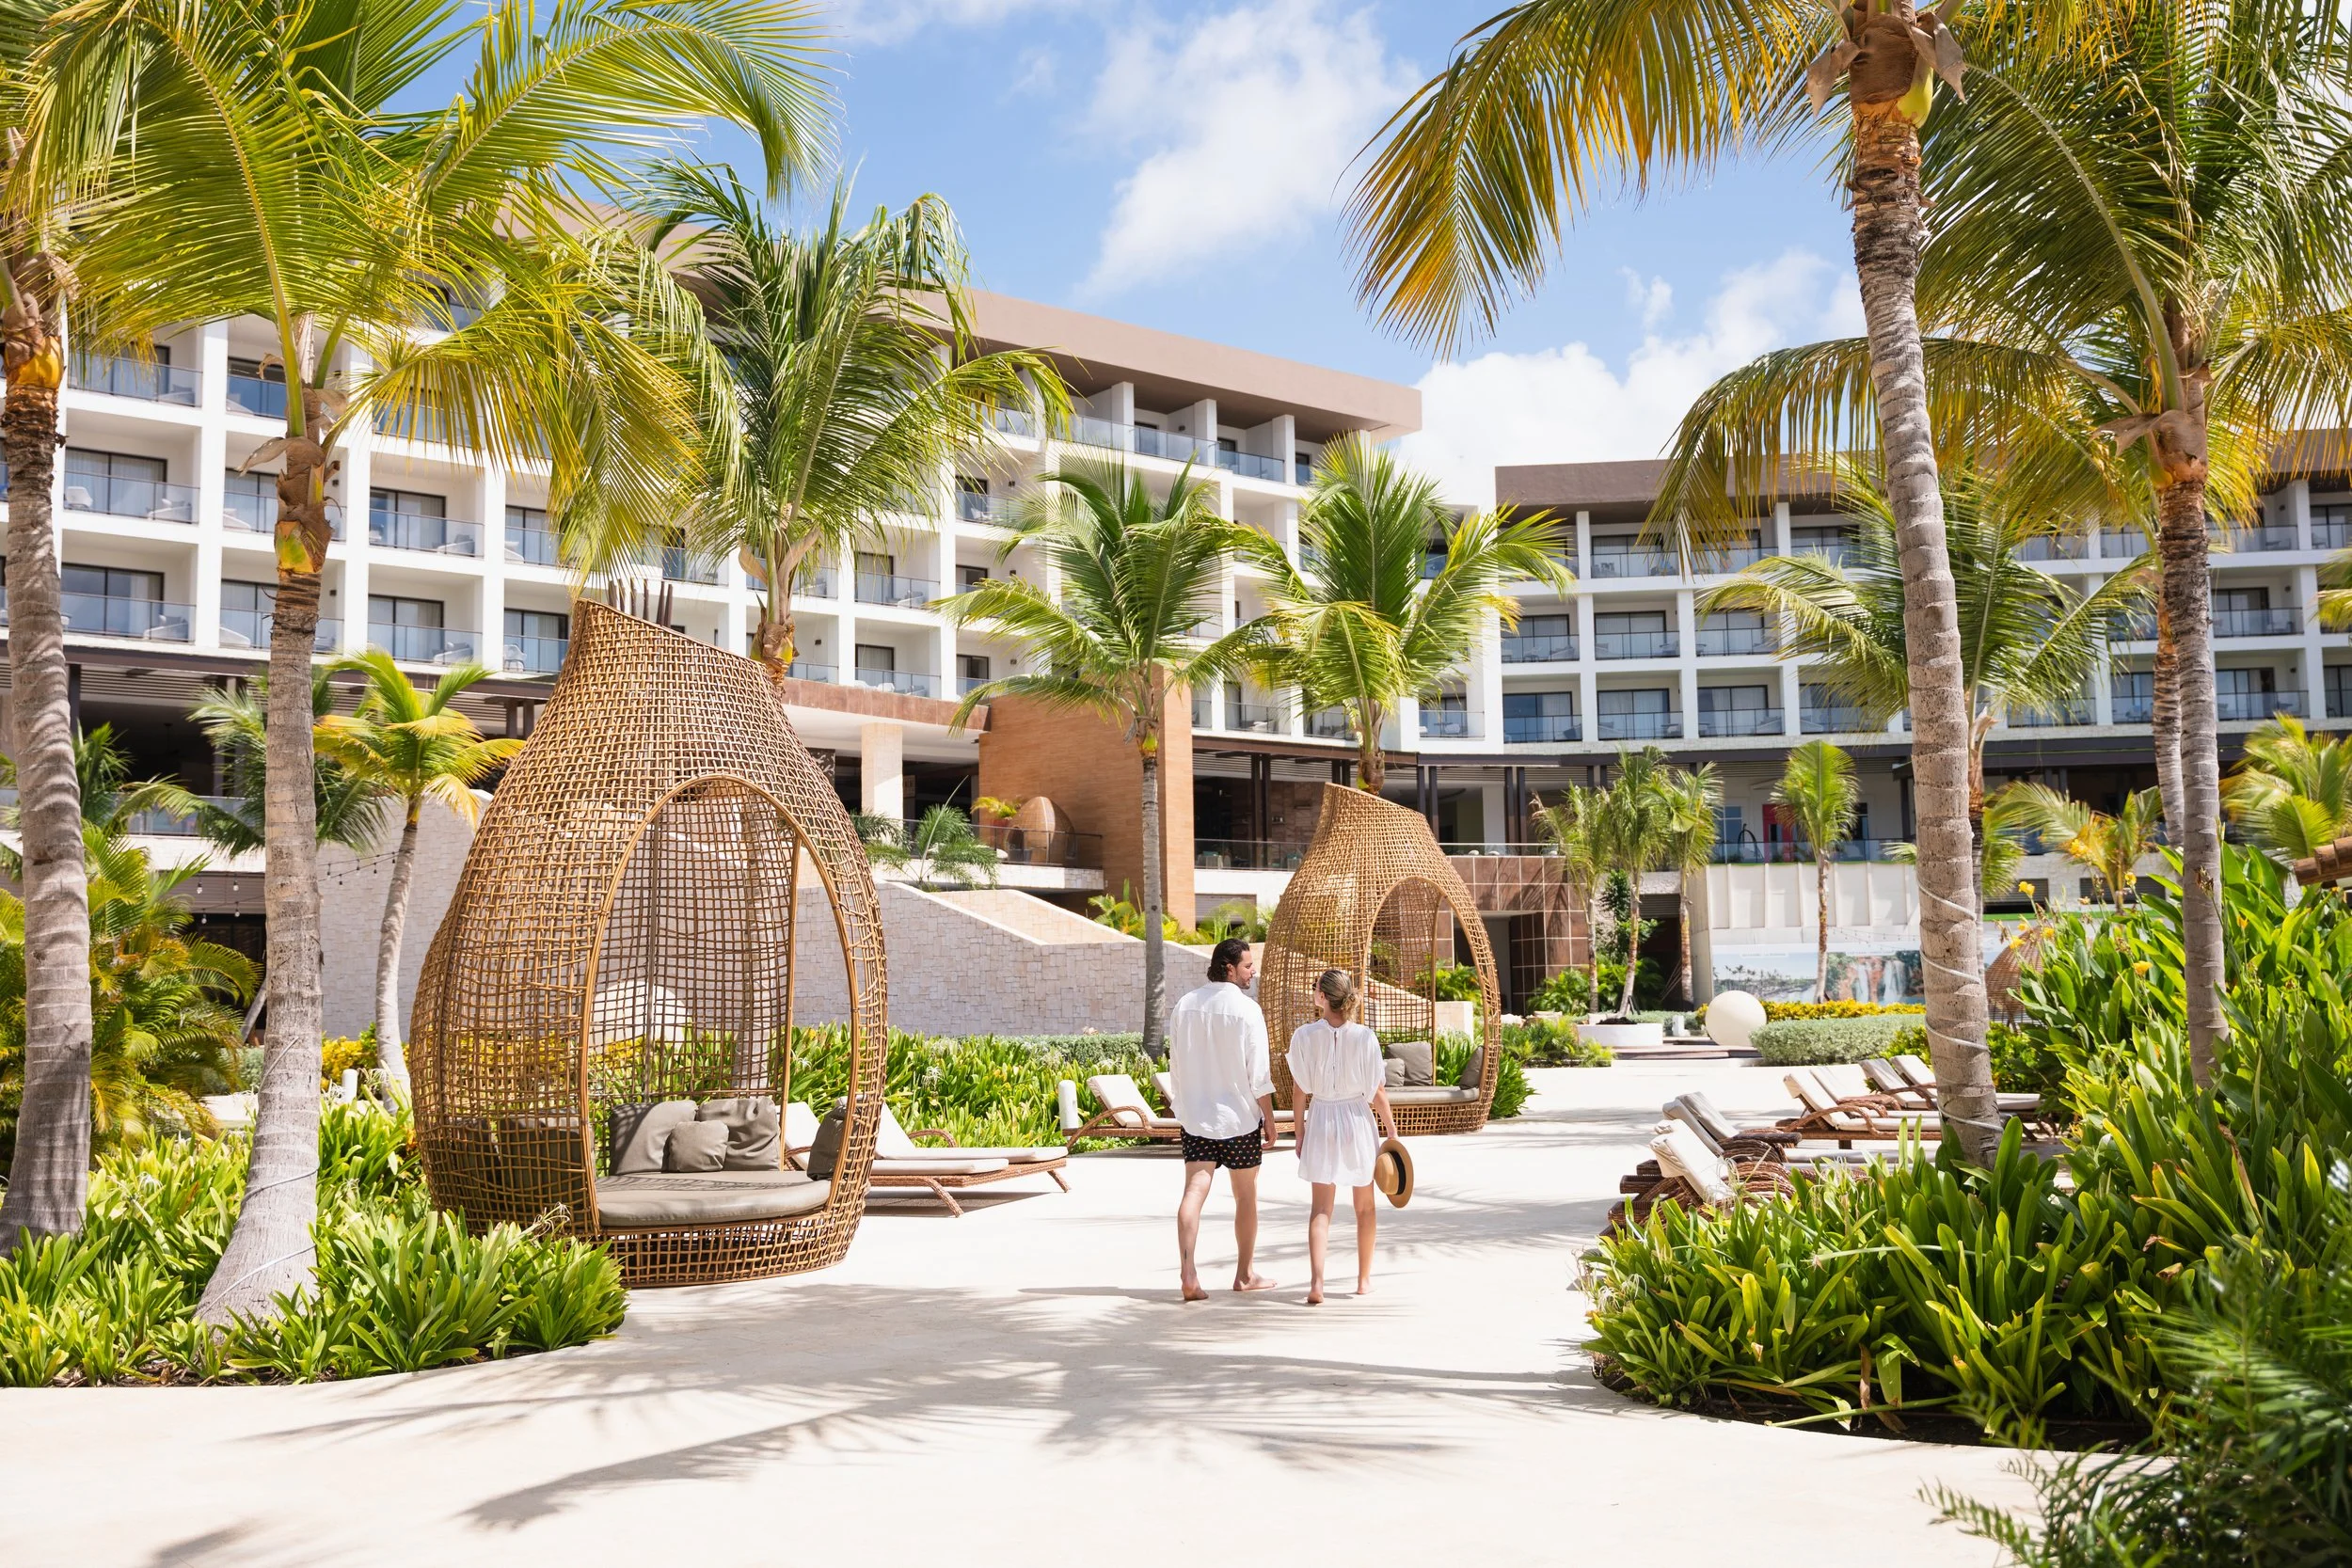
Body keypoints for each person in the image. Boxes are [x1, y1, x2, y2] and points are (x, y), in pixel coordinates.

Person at [1167, 936, 1278, 1301]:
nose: (1253, 972)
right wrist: (1270, 1119)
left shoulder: (1185, 1005)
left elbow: (1176, 1065)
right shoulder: (1248, 1010)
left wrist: (1183, 1109)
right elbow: (1258, 1073)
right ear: (1229, 968)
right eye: (1248, 966)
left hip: (1197, 1119)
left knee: (1193, 1192)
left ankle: (1188, 1273)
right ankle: (1245, 1275)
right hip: (1240, 1122)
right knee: (1246, 1196)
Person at [1286, 967, 1398, 1305]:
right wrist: (1391, 1131)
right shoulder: (1365, 1037)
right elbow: (1377, 1091)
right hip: (1356, 1119)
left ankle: (1317, 1284)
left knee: (1321, 1209)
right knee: (1365, 1208)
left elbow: (1298, 1091)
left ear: (1322, 997)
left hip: (1321, 1118)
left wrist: (1301, 1134)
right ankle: (1364, 1281)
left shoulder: (1303, 1036)